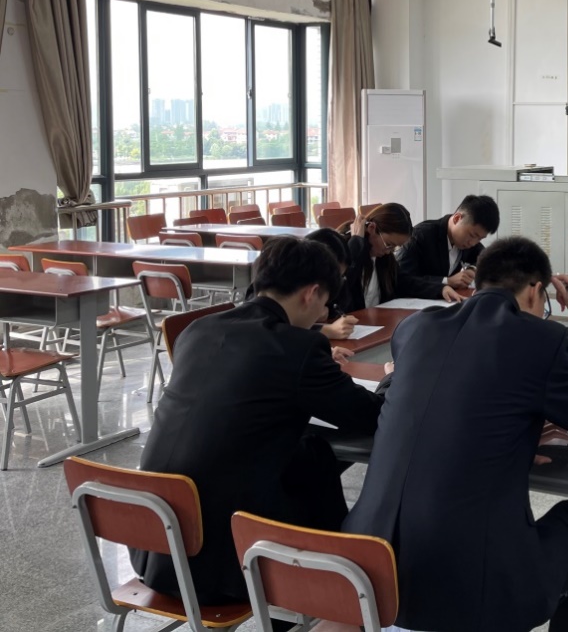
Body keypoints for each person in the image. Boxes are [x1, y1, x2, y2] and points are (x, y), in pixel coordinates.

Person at [343, 236, 568, 632]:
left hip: (367, 575)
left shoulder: (414, 328)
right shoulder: (542, 340)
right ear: (535, 291)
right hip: (469, 588)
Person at [131, 237, 386, 606]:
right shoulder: (297, 348)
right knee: (316, 461)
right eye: (326, 306)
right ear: (311, 293)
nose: (322, 316)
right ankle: (332, 587)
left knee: (303, 453)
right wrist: (393, 377)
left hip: (156, 546)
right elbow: (371, 416)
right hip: (228, 558)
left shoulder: (199, 329)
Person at [396, 194, 499, 299]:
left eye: (480, 239)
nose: (473, 243)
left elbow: (486, 257)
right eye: (472, 235)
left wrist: (472, 269)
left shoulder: (466, 241)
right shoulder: (420, 235)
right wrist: (446, 281)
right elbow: (402, 280)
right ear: (457, 218)